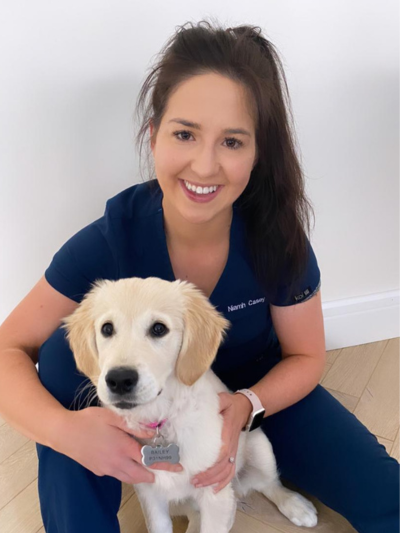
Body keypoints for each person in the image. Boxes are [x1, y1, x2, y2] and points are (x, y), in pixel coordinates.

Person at [0, 20, 398, 533]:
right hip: (148, 410)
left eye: (232, 141)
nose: (204, 165)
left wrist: (246, 406)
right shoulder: (107, 241)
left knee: (386, 497)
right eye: (185, 133)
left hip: (257, 392)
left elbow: (307, 356)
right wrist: (63, 431)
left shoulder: (276, 239)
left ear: (257, 154)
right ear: (154, 135)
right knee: (58, 356)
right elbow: (8, 349)